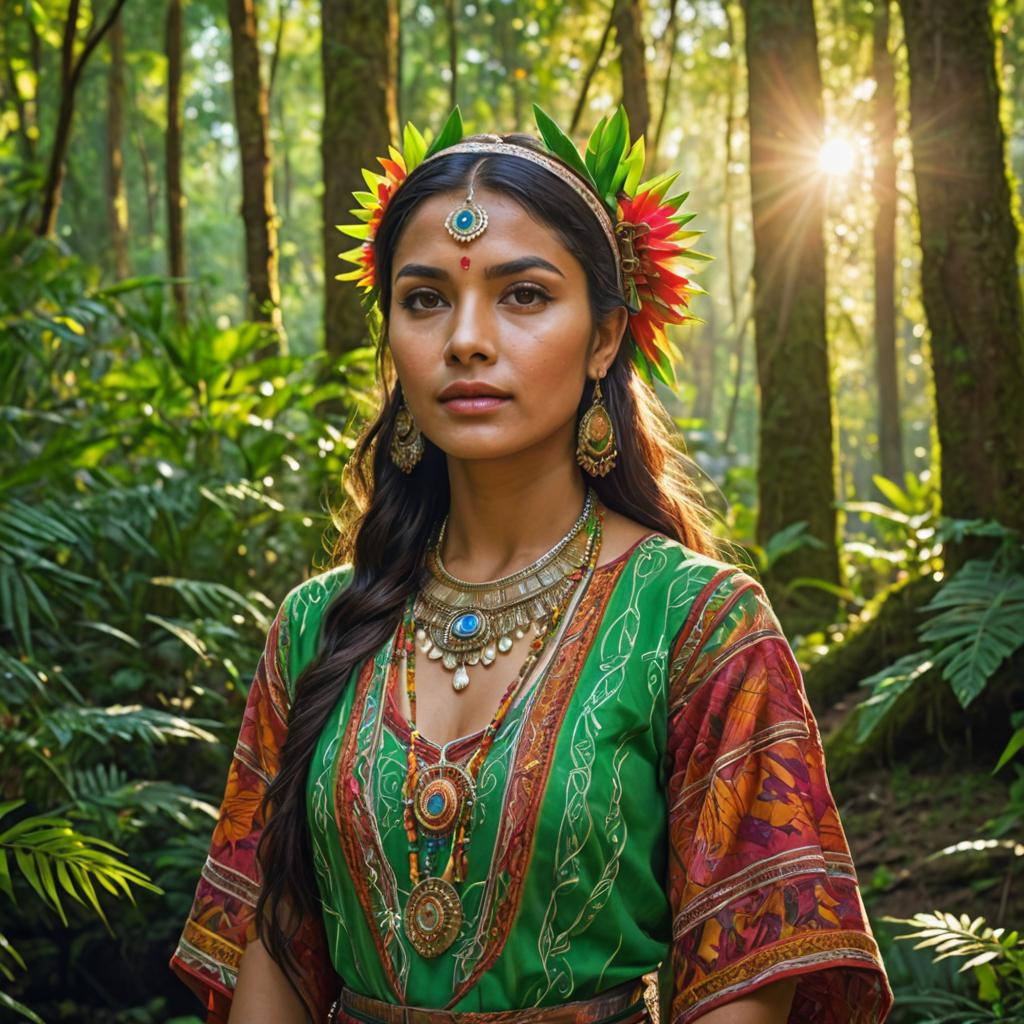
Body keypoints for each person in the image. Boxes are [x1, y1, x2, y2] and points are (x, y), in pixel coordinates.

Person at [169, 104, 893, 1024]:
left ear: (603, 337)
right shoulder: (316, 629)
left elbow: (748, 977)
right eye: (425, 298)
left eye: (523, 296)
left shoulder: (701, 625)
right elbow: (271, 942)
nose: (465, 339)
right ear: (391, 336)